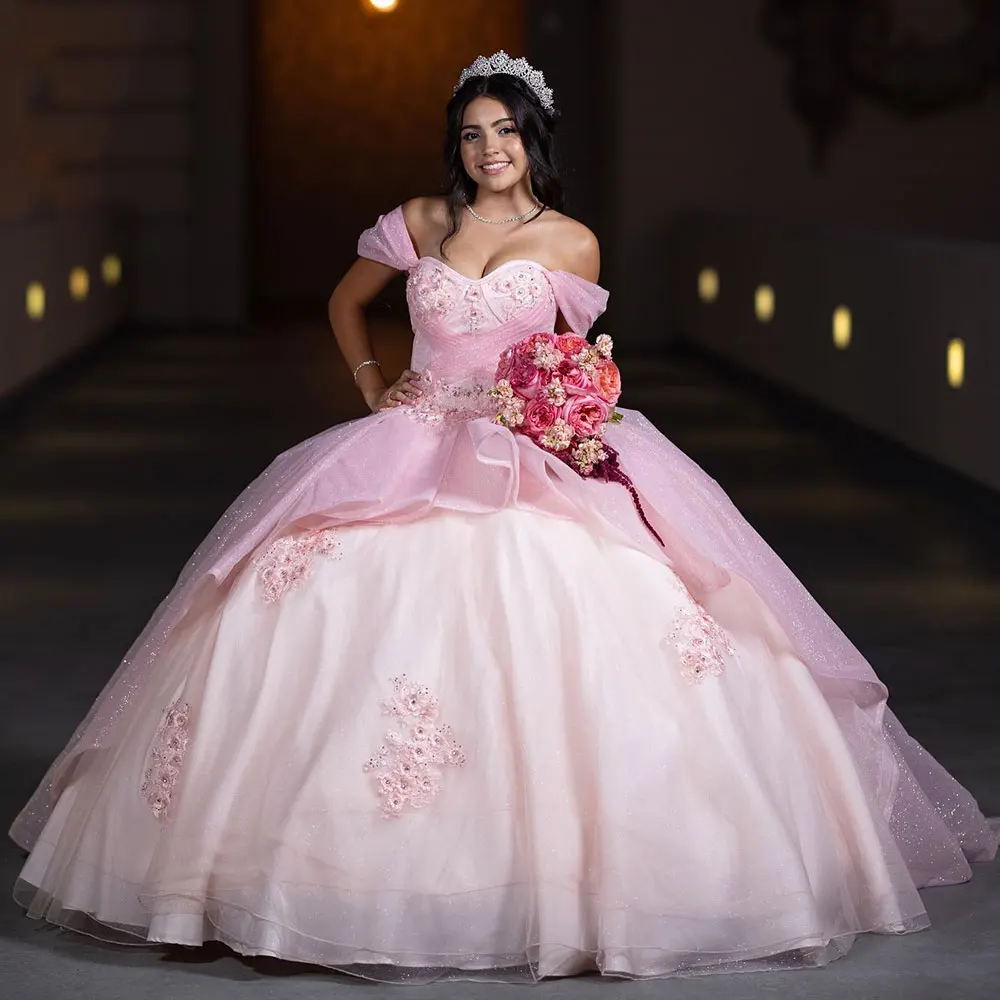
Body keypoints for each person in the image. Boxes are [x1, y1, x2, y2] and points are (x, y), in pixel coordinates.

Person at [10, 50, 997, 983]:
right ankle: (310, 869)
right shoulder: (420, 221)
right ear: (459, 141)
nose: (490, 150)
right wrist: (372, 383)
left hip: (525, 450)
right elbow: (347, 302)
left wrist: (569, 411)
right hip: (413, 436)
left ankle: (567, 887)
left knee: (591, 603)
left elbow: (582, 360)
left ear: (533, 140)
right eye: (474, 133)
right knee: (302, 592)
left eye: (507, 133)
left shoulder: (568, 242)